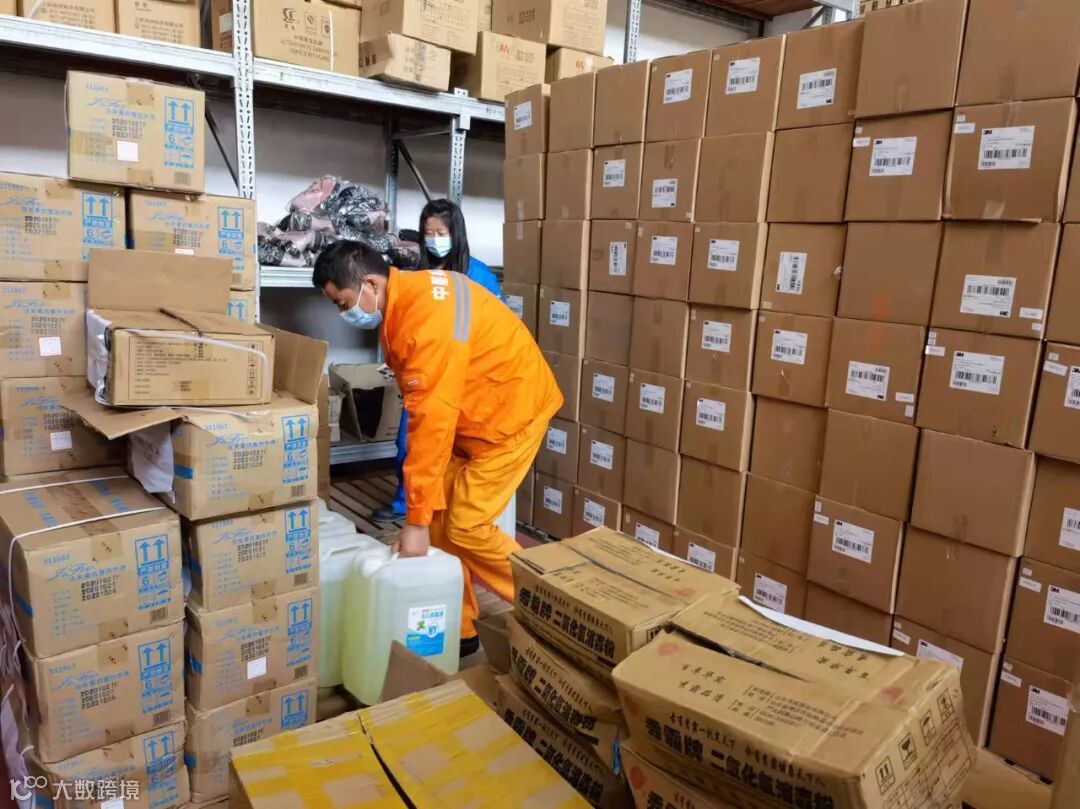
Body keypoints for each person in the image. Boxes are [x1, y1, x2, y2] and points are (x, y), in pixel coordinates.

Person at [314, 240, 561, 656]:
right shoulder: (406, 301)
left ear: (370, 284)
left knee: (466, 525)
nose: (345, 313)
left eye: (343, 302)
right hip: (473, 415)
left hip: (510, 417)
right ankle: (458, 627)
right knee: (440, 521)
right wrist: (423, 516)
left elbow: (430, 423)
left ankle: (555, 606)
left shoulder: (423, 322)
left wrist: (413, 522)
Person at [373, 199, 502, 524]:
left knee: (460, 446)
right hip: (428, 372)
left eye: (441, 233)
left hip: (468, 377)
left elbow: (498, 329)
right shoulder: (420, 274)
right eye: (428, 233)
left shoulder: (479, 275)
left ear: (456, 233)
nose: (434, 239)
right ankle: (407, 504)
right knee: (410, 440)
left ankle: (452, 509)